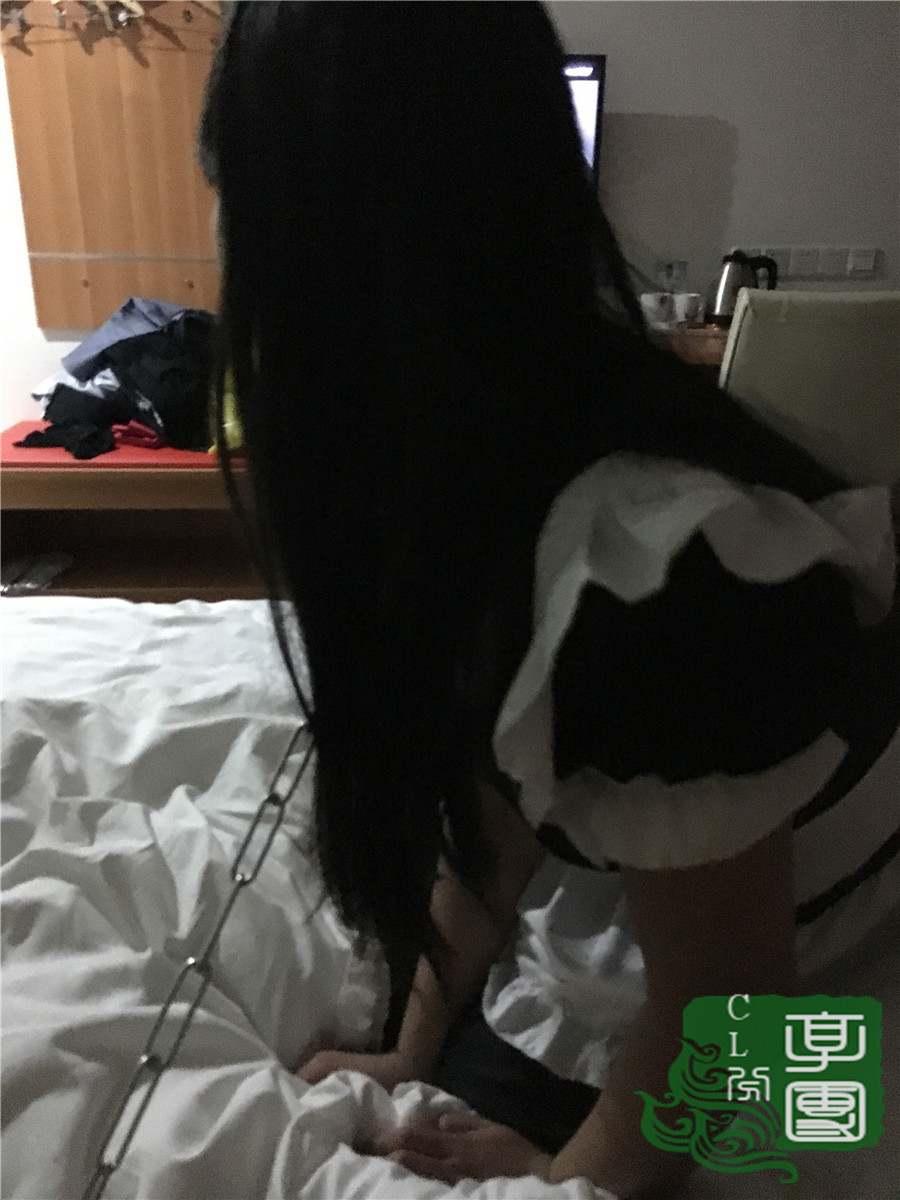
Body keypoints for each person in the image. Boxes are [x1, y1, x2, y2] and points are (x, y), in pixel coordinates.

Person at [198, 4, 900, 1195]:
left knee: (778, 1153)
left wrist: (563, 1178)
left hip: (821, 961)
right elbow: (494, 801)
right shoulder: (481, 458)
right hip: (703, 911)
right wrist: (409, 1044)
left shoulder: (660, 574)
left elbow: (735, 997)